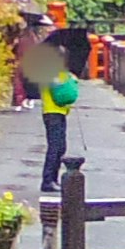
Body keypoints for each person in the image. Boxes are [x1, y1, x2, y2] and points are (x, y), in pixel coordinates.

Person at [34, 43, 82, 195]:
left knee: (60, 147)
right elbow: (60, 92)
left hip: (59, 112)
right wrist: (70, 81)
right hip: (52, 112)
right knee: (55, 147)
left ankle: (52, 179)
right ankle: (48, 180)